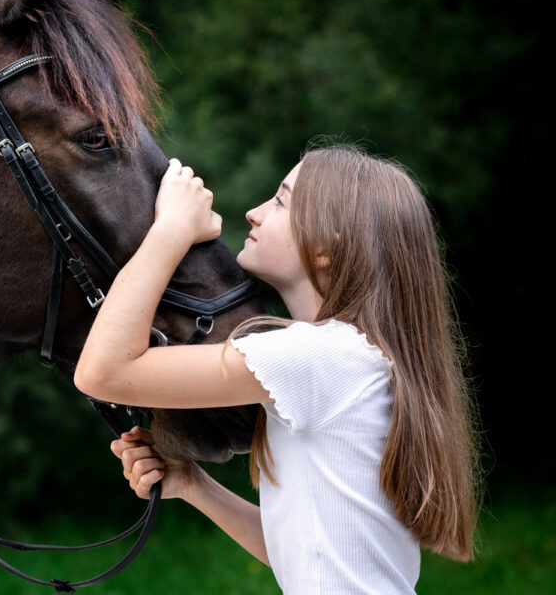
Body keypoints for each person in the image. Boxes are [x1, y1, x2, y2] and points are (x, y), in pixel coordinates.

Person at [73, 143, 479, 594]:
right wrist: (193, 485)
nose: (254, 212)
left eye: (281, 201)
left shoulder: (316, 357)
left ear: (325, 248)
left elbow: (105, 372)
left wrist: (170, 230)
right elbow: (298, 552)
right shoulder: (349, 360)